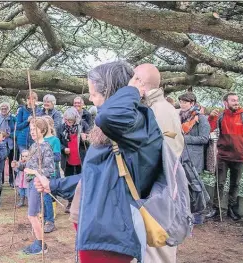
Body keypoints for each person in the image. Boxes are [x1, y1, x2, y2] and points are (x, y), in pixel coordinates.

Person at [34, 61, 163, 263]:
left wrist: (130, 90)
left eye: (94, 94)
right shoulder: (123, 127)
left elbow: (108, 116)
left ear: (110, 92)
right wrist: (53, 184)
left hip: (111, 233)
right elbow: (98, 179)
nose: (91, 100)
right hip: (102, 231)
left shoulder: (133, 122)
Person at [138, 63, 185, 263]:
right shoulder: (155, 107)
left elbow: (163, 156)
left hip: (158, 191)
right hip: (156, 189)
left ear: (141, 82)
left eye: (133, 79)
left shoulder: (160, 110)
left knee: (158, 248)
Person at [205, 92, 243, 221]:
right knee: (219, 183)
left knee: (235, 184)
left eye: (237, 100)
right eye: (233, 100)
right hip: (222, 156)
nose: (236, 102)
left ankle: (231, 209)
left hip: (239, 157)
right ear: (225, 103)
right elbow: (209, 129)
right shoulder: (221, 116)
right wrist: (211, 118)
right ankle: (215, 209)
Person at [12, 117, 54, 255]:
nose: (32, 132)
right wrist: (18, 165)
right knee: (33, 214)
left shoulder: (46, 147)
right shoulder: (34, 146)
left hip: (37, 184)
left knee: (32, 215)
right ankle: (38, 241)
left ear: (42, 130)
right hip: (30, 183)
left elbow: (50, 169)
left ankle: (41, 244)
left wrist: (35, 172)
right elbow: (27, 165)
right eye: (30, 130)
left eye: (34, 129)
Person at [59, 107, 89, 213]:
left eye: (70, 120)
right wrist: (63, 149)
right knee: (69, 181)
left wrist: (86, 138)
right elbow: (58, 141)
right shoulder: (62, 127)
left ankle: (83, 202)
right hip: (68, 160)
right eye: (67, 120)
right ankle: (70, 202)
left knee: (82, 180)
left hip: (81, 158)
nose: (68, 122)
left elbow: (91, 139)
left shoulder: (83, 125)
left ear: (75, 119)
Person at [179, 92, 210, 174]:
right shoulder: (180, 117)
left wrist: (183, 138)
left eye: (184, 102)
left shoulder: (201, 118)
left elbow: (204, 138)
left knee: (193, 185)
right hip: (180, 157)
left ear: (192, 103)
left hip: (194, 159)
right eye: (180, 102)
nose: (182, 105)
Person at [42, 115, 61, 233]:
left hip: (51, 172)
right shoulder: (40, 140)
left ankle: (50, 221)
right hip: (41, 172)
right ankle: (44, 218)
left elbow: (58, 157)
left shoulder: (55, 140)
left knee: (47, 196)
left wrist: (44, 157)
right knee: (42, 197)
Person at [0, 102, 16, 187]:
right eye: (2, 108)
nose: (4, 110)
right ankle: (1, 181)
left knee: (12, 161)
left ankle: (12, 181)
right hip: (0, 143)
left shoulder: (13, 118)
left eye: (6, 108)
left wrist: (10, 135)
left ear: (8, 109)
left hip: (11, 142)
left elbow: (16, 130)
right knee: (1, 161)